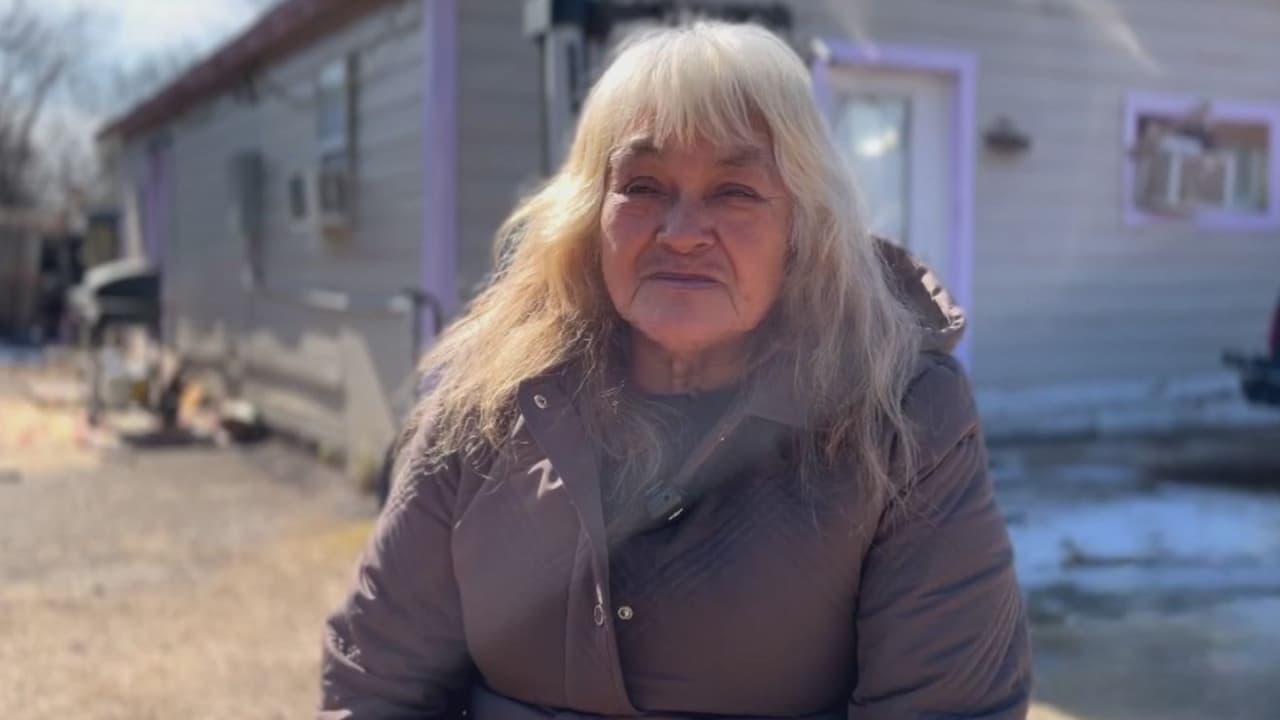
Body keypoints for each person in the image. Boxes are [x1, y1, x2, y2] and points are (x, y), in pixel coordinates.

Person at [320, 21, 1030, 720]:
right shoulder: (486, 396)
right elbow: (379, 678)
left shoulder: (902, 415)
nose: (682, 232)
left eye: (736, 191)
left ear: (802, 229)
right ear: (590, 212)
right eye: (644, 185)